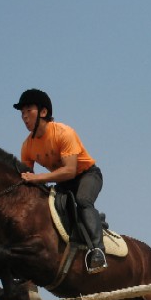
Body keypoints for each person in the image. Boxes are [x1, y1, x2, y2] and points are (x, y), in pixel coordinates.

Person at [13, 88, 107, 273]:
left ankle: (97, 251)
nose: (24, 117)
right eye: (22, 113)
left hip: (87, 175)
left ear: (43, 112)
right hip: (63, 182)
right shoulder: (27, 146)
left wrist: (39, 178)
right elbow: (27, 179)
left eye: (28, 111)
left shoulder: (64, 132)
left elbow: (70, 171)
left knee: (82, 201)